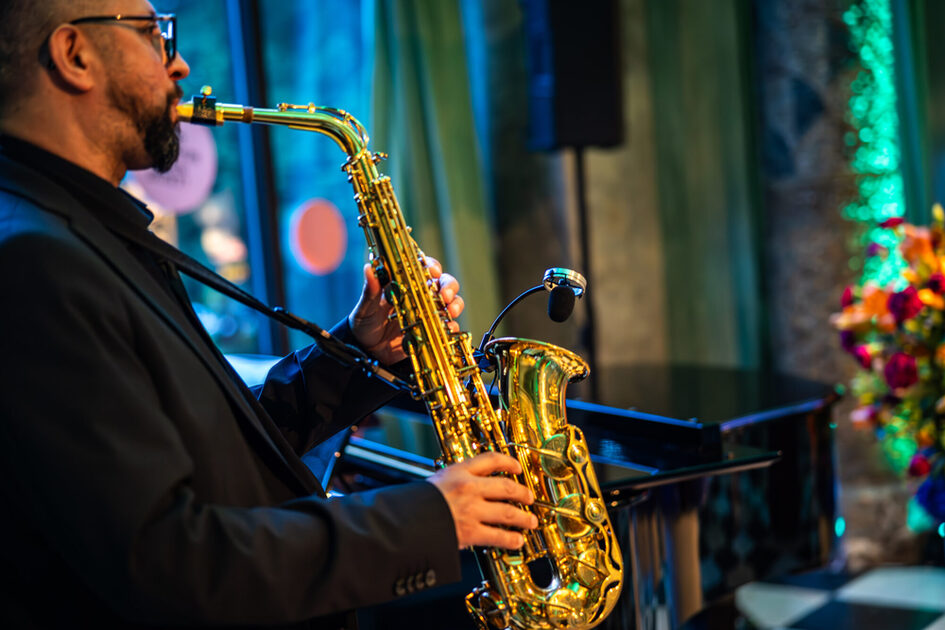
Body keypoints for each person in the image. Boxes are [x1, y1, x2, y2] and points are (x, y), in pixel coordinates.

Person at [0, 1, 538, 627]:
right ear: (74, 55)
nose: (178, 63)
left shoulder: (80, 231)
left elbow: (216, 452)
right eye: (153, 34)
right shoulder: (35, 260)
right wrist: (431, 518)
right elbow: (169, 565)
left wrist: (361, 349)